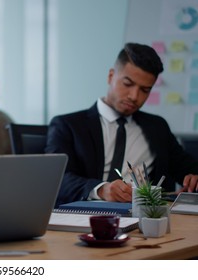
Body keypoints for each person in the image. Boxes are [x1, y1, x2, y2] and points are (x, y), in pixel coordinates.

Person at [46, 42, 198, 207]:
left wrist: (194, 177)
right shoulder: (68, 125)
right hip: (89, 215)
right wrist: (102, 190)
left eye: (145, 90)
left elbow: (188, 168)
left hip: (145, 217)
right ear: (111, 76)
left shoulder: (157, 127)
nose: (134, 96)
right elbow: (55, 179)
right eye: (128, 84)